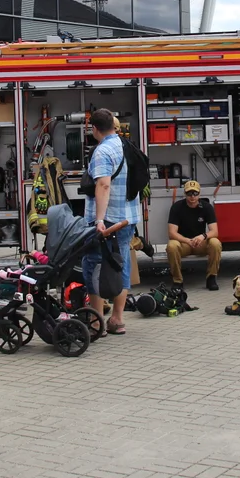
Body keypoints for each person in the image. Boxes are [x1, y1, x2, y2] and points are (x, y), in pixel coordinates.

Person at [82, 108, 139, 336]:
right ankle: (117, 319)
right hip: (127, 218)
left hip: (109, 221)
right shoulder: (125, 146)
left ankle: (96, 323)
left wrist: (99, 220)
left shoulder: (102, 151)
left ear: (94, 129)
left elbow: (104, 185)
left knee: (93, 265)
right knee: (121, 264)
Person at [165, 180, 223, 290]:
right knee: (172, 246)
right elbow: (172, 233)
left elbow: (214, 231)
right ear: (185, 194)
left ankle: (211, 278)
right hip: (184, 243)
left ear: (199, 194)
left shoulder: (207, 207)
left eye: (195, 193)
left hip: (200, 243)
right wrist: (187, 240)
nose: (192, 197)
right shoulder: (177, 207)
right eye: (189, 193)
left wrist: (202, 236)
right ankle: (177, 281)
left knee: (215, 243)